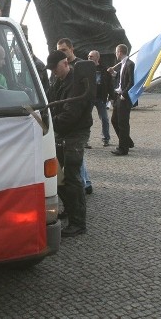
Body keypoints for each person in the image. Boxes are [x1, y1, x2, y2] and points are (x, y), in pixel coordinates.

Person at [46, 50, 92, 237]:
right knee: (57, 176)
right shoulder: (59, 81)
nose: (53, 72)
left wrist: (49, 122)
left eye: (55, 68)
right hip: (63, 131)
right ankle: (70, 210)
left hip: (75, 133)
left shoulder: (76, 82)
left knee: (72, 178)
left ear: (65, 63)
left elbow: (70, 114)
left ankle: (78, 222)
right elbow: (52, 103)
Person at [56, 38, 92, 192]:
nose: (61, 53)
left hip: (77, 119)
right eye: (59, 50)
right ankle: (86, 182)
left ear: (71, 49)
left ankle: (84, 184)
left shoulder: (81, 67)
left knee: (75, 157)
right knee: (75, 157)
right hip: (65, 118)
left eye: (64, 50)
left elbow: (86, 95)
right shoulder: (59, 68)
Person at [109, 44, 136, 156]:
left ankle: (123, 148)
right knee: (114, 120)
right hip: (118, 96)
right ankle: (127, 142)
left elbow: (131, 82)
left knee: (123, 123)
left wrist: (124, 94)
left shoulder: (130, 64)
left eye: (116, 52)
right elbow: (121, 79)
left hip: (124, 98)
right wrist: (113, 73)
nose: (116, 54)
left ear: (119, 52)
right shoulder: (123, 64)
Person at [87, 50, 113, 147]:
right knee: (86, 119)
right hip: (89, 98)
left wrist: (111, 96)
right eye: (88, 56)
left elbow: (109, 84)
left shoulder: (104, 70)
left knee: (105, 119)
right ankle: (85, 140)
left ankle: (106, 138)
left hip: (100, 98)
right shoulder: (85, 69)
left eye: (91, 56)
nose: (89, 58)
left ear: (97, 58)